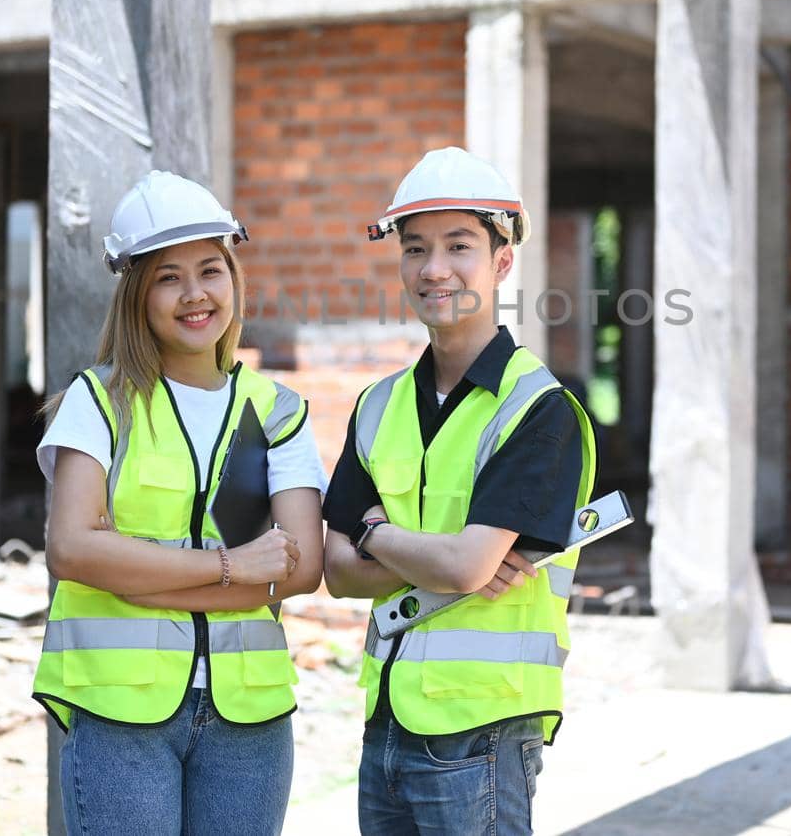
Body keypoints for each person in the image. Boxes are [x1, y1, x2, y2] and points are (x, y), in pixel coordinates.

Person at [32, 170, 326, 836]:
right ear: (136, 293)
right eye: (168, 276)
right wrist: (232, 568)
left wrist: (136, 574)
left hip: (247, 720)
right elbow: (72, 547)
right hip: (120, 713)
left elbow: (300, 566)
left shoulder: (275, 411)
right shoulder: (100, 403)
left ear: (233, 275)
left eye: (210, 269)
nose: (194, 294)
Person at [322, 147, 597, 835]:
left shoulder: (537, 408)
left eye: (458, 245)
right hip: (386, 722)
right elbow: (335, 572)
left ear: (503, 261)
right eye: (415, 248)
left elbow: (466, 565)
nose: (433, 267)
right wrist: (445, 556)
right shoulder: (379, 405)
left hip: (484, 732)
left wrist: (373, 532)